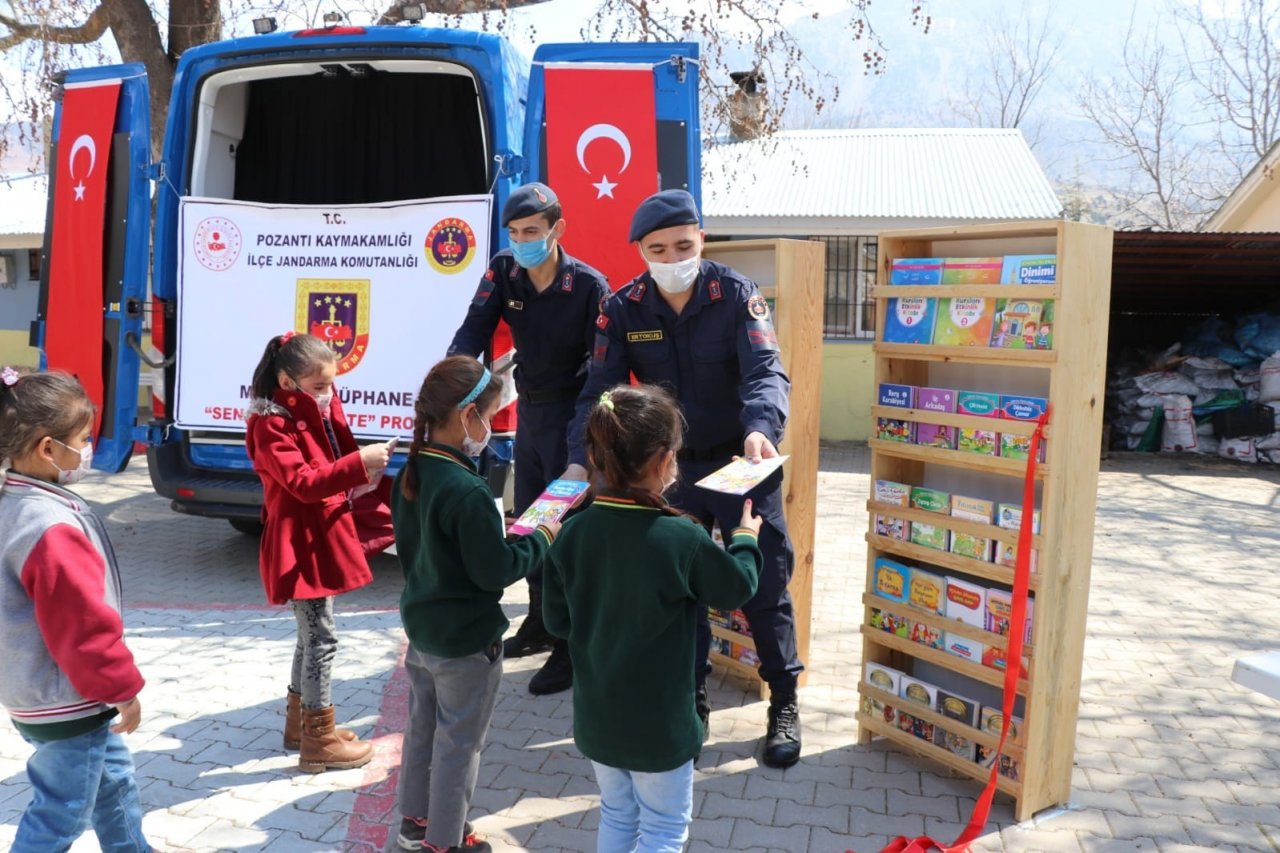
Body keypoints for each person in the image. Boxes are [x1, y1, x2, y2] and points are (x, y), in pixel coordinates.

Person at [569, 189, 806, 769]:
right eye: (658, 248)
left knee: (765, 582)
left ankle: (785, 701)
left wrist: (761, 429)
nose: (672, 255)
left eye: (683, 243)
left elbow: (766, 371)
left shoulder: (735, 295)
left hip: (739, 459)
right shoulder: (623, 307)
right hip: (667, 469)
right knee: (679, 588)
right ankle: (690, 696)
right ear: (641, 251)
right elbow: (598, 387)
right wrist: (586, 459)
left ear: (701, 238)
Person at [543, 384, 761, 851]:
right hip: (659, 726)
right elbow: (736, 586)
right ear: (663, 461)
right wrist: (744, 537)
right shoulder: (680, 537)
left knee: (618, 817)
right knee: (663, 830)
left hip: (598, 719)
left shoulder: (572, 531)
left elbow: (558, 623)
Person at [447, 181, 610, 697]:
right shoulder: (503, 270)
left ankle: (570, 647)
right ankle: (539, 620)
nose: (522, 242)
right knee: (531, 524)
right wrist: (455, 375)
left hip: (575, 417)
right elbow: (474, 328)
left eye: (532, 232)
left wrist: (585, 445)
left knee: (567, 531)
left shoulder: (588, 286)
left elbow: (602, 372)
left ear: (557, 229)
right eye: (515, 233)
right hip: (532, 415)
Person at [392, 356, 559, 853]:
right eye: (487, 415)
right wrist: (543, 535)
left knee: (422, 732)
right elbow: (496, 570)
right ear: (466, 415)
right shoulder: (464, 488)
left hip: (424, 631)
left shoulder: (416, 467)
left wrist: (497, 536)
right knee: (460, 745)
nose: (489, 426)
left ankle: (414, 823)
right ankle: (445, 841)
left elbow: (431, 546)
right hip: (466, 641)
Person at [0, 368, 153, 852]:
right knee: (60, 813)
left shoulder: (16, 502)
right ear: (48, 449)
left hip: (40, 691)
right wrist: (121, 689)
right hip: (69, 698)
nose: (87, 449)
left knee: (114, 784)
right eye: (83, 439)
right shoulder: (48, 525)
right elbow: (83, 627)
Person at [245, 333, 393, 773]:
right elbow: (305, 483)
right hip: (299, 543)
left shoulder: (311, 405)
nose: (328, 393)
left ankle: (301, 727)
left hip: (318, 534)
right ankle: (319, 738)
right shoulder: (270, 424)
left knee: (310, 636)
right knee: (322, 639)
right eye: (318, 386)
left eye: (331, 383)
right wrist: (357, 463)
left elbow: (331, 460)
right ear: (287, 380)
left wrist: (360, 471)